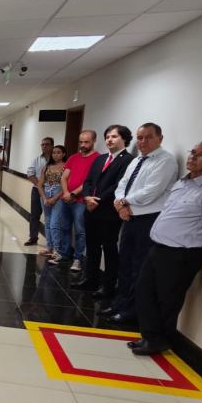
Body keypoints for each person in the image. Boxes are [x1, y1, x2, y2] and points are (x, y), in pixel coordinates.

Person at [129, 141, 202, 355]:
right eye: (192, 152)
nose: (193, 157)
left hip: (182, 254)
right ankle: (151, 336)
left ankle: (159, 340)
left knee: (168, 299)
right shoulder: (182, 184)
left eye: (201, 155)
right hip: (158, 248)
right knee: (143, 291)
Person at [99, 123, 178, 324]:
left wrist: (124, 202)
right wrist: (120, 205)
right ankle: (119, 303)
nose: (143, 142)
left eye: (148, 137)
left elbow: (152, 191)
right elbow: (122, 185)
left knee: (139, 267)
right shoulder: (137, 162)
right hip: (128, 218)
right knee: (124, 262)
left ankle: (132, 309)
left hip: (148, 220)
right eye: (140, 138)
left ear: (160, 138)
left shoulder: (165, 161)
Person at [71, 125, 134, 297]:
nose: (110, 140)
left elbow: (119, 185)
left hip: (109, 212)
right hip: (91, 211)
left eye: (114, 136)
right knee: (92, 247)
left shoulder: (128, 160)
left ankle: (108, 285)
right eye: (107, 136)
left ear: (125, 139)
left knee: (109, 249)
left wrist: (96, 200)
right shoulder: (100, 159)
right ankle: (90, 279)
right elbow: (89, 181)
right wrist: (86, 197)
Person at [51, 131, 100, 271]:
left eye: (87, 142)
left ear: (94, 141)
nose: (83, 145)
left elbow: (90, 182)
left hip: (80, 201)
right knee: (65, 228)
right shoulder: (73, 157)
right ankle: (64, 254)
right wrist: (66, 193)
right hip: (65, 199)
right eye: (81, 142)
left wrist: (73, 194)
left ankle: (78, 259)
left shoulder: (98, 159)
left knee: (80, 231)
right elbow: (63, 178)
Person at [24, 137, 54, 246]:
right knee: (35, 215)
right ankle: (33, 237)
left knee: (51, 217)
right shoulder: (36, 160)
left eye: (47, 144)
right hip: (37, 191)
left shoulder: (57, 160)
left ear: (52, 146)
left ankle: (51, 241)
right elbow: (30, 174)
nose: (44, 146)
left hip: (52, 192)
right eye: (42, 144)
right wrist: (40, 186)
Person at [38, 145, 66, 260]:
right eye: (54, 153)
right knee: (48, 222)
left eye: (59, 153)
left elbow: (66, 186)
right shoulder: (47, 166)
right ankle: (49, 246)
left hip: (58, 195)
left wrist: (54, 198)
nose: (56, 155)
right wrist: (45, 198)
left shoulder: (66, 167)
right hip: (45, 194)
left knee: (55, 224)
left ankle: (56, 248)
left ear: (63, 154)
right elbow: (40, 184)